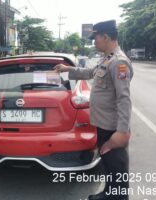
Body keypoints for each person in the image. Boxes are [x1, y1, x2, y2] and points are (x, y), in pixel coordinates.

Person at [54, 20, 133, 200]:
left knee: (116, 165)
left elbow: (124, 99)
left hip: (113, 127)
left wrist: (121, 132)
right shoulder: (107, 59)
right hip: (103, 124)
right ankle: (109, 193)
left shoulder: (119, 63)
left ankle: (117, 197)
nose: (94, 42)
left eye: (95, 38)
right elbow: (90, 73)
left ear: (105, 37)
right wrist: (68, 69)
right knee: (109, 164)